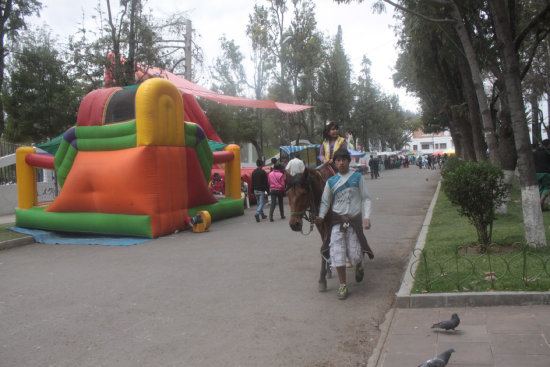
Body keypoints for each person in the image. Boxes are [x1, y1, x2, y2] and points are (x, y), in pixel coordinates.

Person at [314, 148, 374, 300]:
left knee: (354, 255)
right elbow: (325, 201)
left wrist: (366, 217)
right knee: (337, 254)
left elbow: (366, 198)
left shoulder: (358, 177)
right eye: (338, 161)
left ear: (349, 161)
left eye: (344, 160)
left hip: (354, 222)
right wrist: (321, 217)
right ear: (334, 163)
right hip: (336, 222)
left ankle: (359, 263)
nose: (341, 163)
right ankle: (343, 285)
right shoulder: (331, 182)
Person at [533, 139, 550, 211]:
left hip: (536, 173)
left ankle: (541, 207)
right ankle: (540, 203)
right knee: (547, 187)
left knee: (540, 188)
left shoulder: (535, 152)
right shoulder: (548, 152)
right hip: (546, 172)